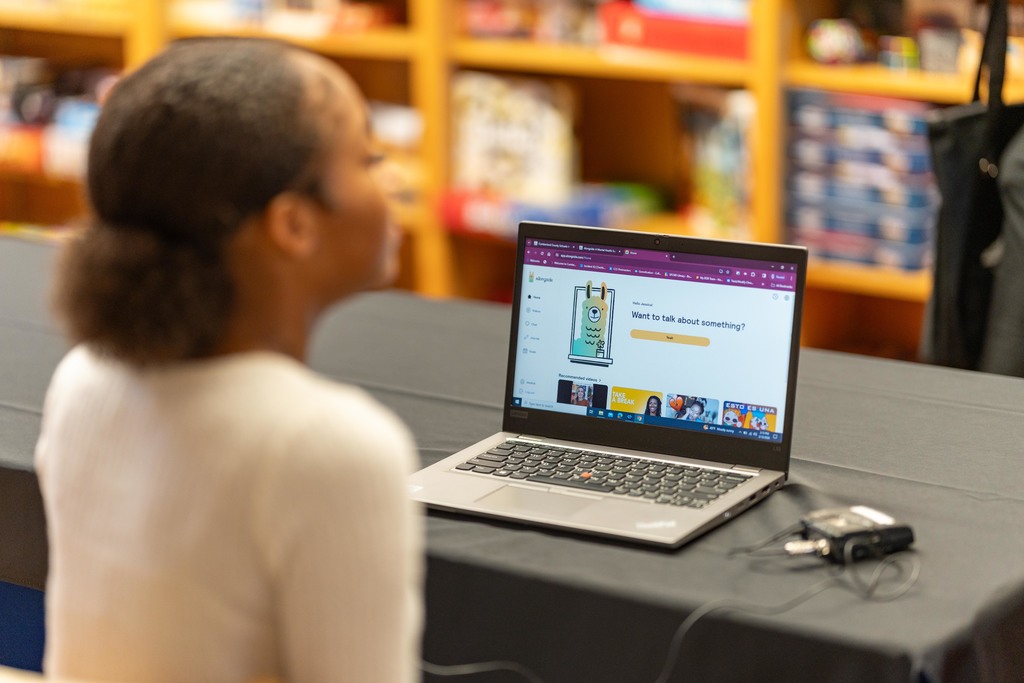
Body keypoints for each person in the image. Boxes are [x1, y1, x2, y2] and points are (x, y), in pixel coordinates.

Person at [33, 38, 422, 683]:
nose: (396, 181)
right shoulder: (327, 446)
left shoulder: (84, 377)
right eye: (370, 159)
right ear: (294, 224)